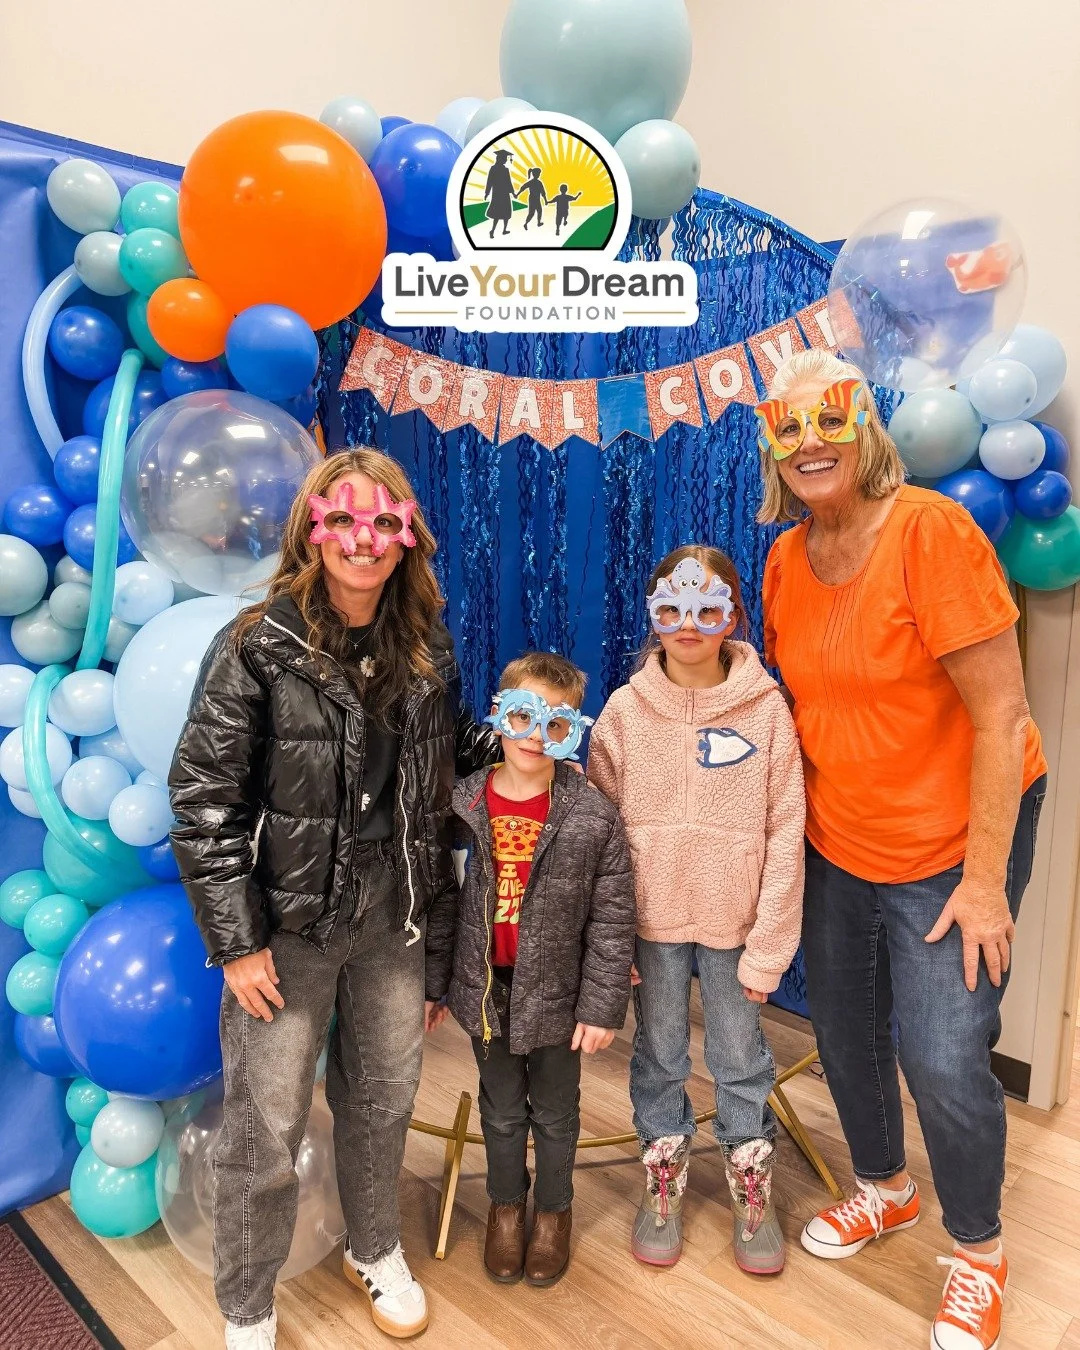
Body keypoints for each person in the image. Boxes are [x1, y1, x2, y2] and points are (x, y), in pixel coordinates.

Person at [169, 449, 497, 1349]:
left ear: (408, 540)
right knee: (265, 1128)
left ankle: (375, 1245)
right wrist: (237, 943)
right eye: (345, 520)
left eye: (385, 524)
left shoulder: (428, 648)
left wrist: (538, 751)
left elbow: (450, 767)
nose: (364, 540)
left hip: (393, 919)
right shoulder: (255, 646)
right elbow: (204, 800)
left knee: (383, 1100)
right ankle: (246, 1304)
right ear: (313, 530)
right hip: (287, 930)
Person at [757, 350, 1048, 1350]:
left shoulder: (931, 530)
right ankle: (884, 1189)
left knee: (942, 1052)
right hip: (843, 836)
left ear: (867, 427)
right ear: (771, 447)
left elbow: (1005, 718)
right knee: (841, 1027)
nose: (812, 444)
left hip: (950, 840)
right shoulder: (786, 558)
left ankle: (979, 1253)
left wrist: (983, 882)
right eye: (789, 428)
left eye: (829, 420)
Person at [587, 546, 805, 1276]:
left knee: (740, 1057)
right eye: (673, 610)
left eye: (707, 609)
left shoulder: (765, 708)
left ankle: (751, 1184)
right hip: (648, 922)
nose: (690, 625)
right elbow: (602, 833)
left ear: (732, 616)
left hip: (734, 921)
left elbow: (786, 825)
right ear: (653, 616)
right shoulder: (623, 712)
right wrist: (609, 941)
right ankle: (665, 1179)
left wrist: (771, 942)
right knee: (658, 1055)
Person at [424, 651, 636, 1287]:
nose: (534, 739)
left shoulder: (592, 815)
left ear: (573, 730)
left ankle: (553, 1214)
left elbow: (612, 915)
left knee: (554, 1110)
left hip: (559, 996)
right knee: (503, 1109)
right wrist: (436, 986)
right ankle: (506, 1208)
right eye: (523, 717)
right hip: (486, 989)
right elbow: (440, 901)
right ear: (498, 715)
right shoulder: (463, 806)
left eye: (555, 725)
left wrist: (601, 1008)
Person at [484, 149, 515, 239]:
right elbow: (489, 181)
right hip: (499, 194)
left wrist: (513, 193)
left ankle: (504, 230)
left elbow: (508, 182)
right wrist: (487, 192)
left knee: (505, 213)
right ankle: (492, 230)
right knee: (498, 214)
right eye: (504, 158)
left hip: (502, 193)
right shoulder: (494, 169)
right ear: (500, 159)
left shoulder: (505, 169)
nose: (505, 160)